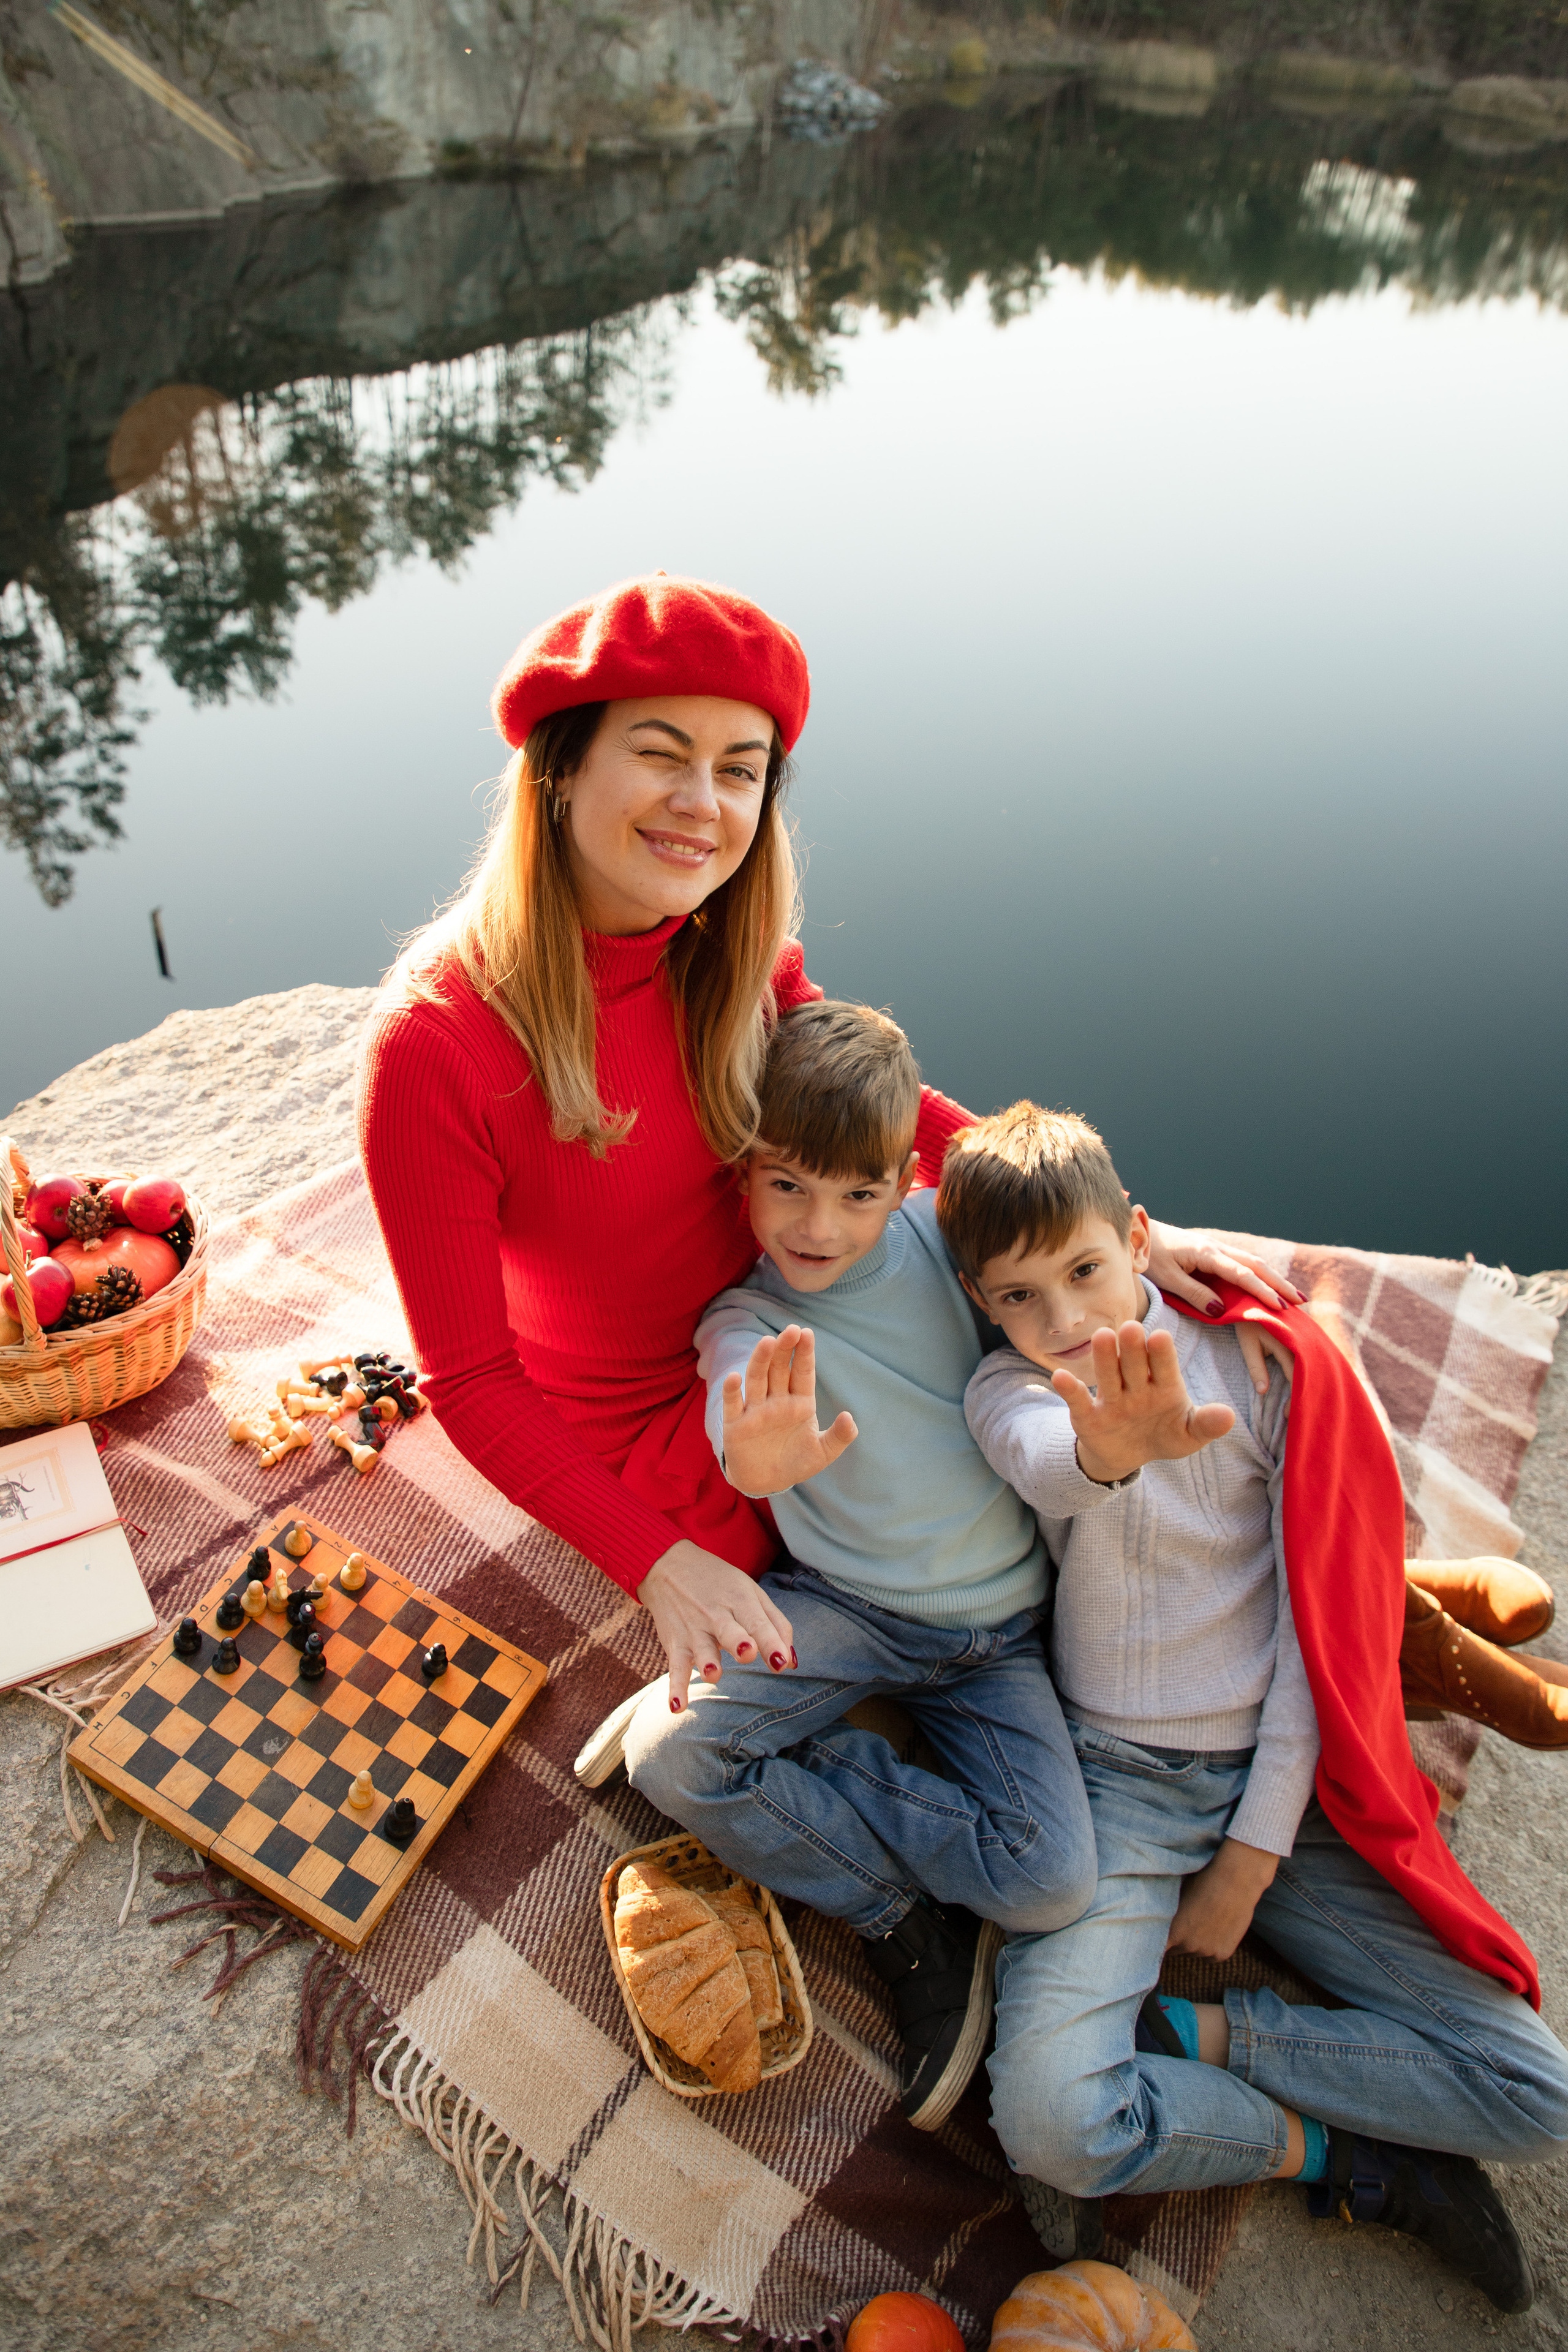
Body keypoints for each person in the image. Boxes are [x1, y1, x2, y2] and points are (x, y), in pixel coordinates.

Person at [358, 574, 1296, 1700]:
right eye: (660, 753)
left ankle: (1354, 1602)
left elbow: (892, 1115)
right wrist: (658, 1566)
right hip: (675, 1422)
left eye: (739, 770)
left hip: (819, 1298)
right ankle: (1269, 1662)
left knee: (1118, 1366)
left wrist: (1106, 1227)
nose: (701, 803)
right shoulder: (437, 1045)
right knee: (981, 1516)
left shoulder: (723, 946)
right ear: (560, 771)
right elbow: (470, 1382)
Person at [936, 1101, 1568, 2316]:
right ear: (979, 1299)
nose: (1063, 1323)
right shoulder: (1008, 1395)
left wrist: (1251, 1852)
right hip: (1115, 1782)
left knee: (1532, 2096)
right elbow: (1046, 1463)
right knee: (1051, 2125)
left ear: (1134, 1235)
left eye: (1081, 1272)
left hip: (1294, 1785)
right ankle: (1334, 2154)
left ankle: (1193, 2042)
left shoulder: (1250, 1362)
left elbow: (1313, 1625)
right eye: (1018, 1298)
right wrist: (1112, 1450)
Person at [618, 1000, 1097, 2132]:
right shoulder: (745, 1316)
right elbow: (737, 1400)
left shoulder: (947, 1242)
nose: (819, 1227)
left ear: (902, 1176)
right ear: (743, 1174)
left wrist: (1149, 1244)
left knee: (1050, 1884)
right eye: (786, 1185)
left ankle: (831, 1760)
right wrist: (754, 1451)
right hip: (848, 1611)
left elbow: (1055, 1256)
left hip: (1001, 1635)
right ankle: (886, 1910)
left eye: (856, 1194)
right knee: (669, 1760)